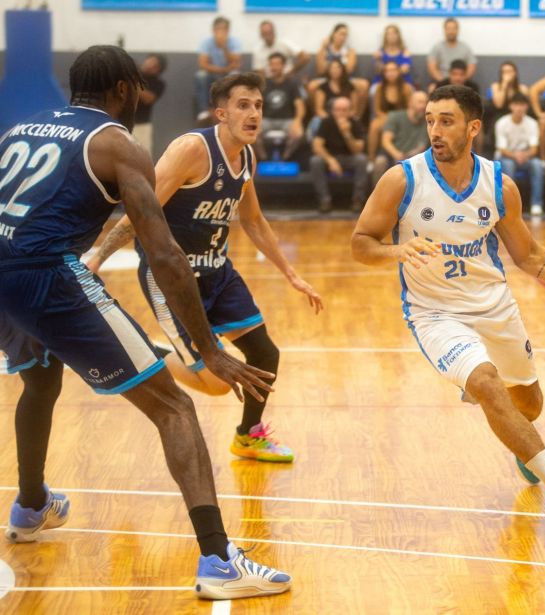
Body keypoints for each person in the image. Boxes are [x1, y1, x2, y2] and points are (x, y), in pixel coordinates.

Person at [0, 45, 291, 599]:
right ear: (124, 90)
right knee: (175, 408)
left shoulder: (23, 127)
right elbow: (164, 253)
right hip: (47, 278)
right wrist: (209, 349)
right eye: (137, 90)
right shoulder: (116, 142)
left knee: (40, 380)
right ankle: (218, 561)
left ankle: (31, 505)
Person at [351, 84, 545, 528]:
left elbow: (528, 255)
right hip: (434, 313)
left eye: (446, 121)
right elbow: (360, 242)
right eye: (430, 120)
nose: (435, 130)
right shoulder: (402, 180)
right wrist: (395, 251)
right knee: (485, 383)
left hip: (495, 307)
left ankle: (525, 448)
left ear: (473, 127)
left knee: (529, 403)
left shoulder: (498, 185)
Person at [89, 71, 324, 464]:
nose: (254, 114)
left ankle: (248, 437)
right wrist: (98, 257)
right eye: (243, 105)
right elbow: (141, 210)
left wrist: (291, 273)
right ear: (221, 113)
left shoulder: (247, 156)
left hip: (217, 271)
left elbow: (253, 220)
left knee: (265, 354)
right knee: (216, 383)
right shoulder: (191, 150)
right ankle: (141, 351)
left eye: (258, 106)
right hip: (172, 277)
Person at [310, 95, 369, 213]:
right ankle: (324, 200)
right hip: (330, 157)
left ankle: (357, 200)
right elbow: (317, 146)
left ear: (350, 111)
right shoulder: (326, 122)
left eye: (344, 110)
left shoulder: (356, 123)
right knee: (315, 160)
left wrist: (346, 133)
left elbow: (358, 150)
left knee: (361, 159)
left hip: (349, 158)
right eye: (337, 110)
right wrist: (331, 160)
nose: (340, 113)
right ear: (332, 111)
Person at [495, 93, 544, 215]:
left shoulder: (532, 123)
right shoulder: (501, 123)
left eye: (522, 105)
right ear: (510, 106)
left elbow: (534, 149)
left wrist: (525, 155)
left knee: (537, 165)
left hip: (526, 157)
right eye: (516, 104)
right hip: (506, 157)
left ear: (526, 106)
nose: (519, 108)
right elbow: (501, 148)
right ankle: (509, 205)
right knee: (509, 165)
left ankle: (536, 204)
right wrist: (515, 155)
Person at [255, 52, 306, 161]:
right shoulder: (263, 84)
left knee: (298, 134)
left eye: (277, 64)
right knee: (250, 133)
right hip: (266, 119)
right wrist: (256, 120)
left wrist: (297, 121)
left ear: (284, 66)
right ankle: (264, 158)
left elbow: (300, 106)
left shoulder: (292, 84)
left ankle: (285, 157)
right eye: (271, 64)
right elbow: (256, 105)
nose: (274, 67)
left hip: (287, 120)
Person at [316, 23, 369, 118]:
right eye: (341, 34)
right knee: (312, 86)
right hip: (328, 78)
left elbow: (349, 70)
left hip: (345, 78)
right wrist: (323, 48)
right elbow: (320, 70)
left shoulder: (350, 51)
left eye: (346, 35)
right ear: (333, 34)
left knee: (364, 84)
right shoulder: (324, 49)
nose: (343, 37)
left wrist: (336, 67)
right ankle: (319, 115)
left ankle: (357, 117)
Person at [373, 90, 429, 179]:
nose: (423, 106)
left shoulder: (428, 122)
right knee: (380, 162)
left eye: (425, 103)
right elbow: (386, 141)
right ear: (410, 103)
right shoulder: (395, 116)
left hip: (415, 158)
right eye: (420, 102)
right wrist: (396, 154)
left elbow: (422, 147)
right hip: (392, 155)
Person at [194, 16, 242, 121]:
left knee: (235, 74)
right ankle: (203, 111)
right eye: (218, 28)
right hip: (212, 73)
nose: (221, 31)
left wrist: (224, 47)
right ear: (213, 30)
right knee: (201, 75)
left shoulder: (235, 42)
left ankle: (233, 109)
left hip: (228, 74)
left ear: (228, 30)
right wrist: (222, 70)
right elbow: (203, 64)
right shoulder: (206, 42)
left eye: (224, 28)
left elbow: (236, 63)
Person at [368, 61, 414, 163]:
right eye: (387, 71)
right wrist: (388, 118)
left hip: (402, 118)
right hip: (384, 117)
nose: (390, 73)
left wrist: (395, 119)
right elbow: (377, 109)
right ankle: (371, 159)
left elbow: (410, 107)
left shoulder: (406, 88)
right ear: (384, 73)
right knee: (374, 126)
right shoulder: (379, 88)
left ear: (399, 72)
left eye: (393, 70)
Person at [132, 53, 167, 158]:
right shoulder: (129, 76)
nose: (150, 65)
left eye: (155, 65)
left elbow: (148, 99)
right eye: (150, 61)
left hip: (142, 125)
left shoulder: (158, 83)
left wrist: (133, 80)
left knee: (143, 157)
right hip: (121, 122)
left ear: (158, 70)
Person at [427, 18, 477, 83]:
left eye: (453, 28)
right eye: (448, 29)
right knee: (432, 88)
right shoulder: (437, 47)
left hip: (461, 83)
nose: (451, 31)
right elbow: (432, 68)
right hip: (442, 82)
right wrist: (444, 82)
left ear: (458, 30)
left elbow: (471, 67)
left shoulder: (465, 48)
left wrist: (460, 80)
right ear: (444, 30)